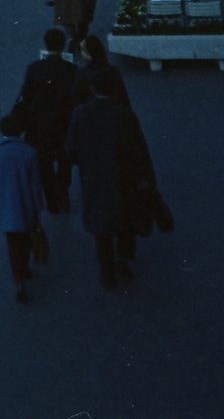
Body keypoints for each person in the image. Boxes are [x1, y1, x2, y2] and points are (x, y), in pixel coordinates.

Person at [65, 67, 158, 288]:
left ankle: (106, 272)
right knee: (125, 220)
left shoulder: (80, 113)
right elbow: (139, 150)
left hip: (94, 177)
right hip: (123, 178)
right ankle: (123, 259)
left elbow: (71, 149)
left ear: (92, 88)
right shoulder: (125, 114)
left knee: (101, 227)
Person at [0, 113, 46, 302]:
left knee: (12, 242)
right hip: (26, 206)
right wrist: (38, 208)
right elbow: (36, 185)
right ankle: (24, 267)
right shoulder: (30, 152)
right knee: (25, 238)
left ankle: (18, 279)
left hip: (6, 207)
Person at [13, 28, 77, 213]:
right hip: (64, 124)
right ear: (63, 45)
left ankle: (52, 199)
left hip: (39, 125)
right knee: (65, 160)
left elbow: (27, 94)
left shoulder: (34, 68)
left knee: (44, 162)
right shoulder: (72, 70)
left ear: (45, 45)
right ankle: (63, 189)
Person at [70, 35, 130, 110]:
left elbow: (76, 98)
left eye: (83, 51)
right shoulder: (113, 70)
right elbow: (123, 97)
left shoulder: (82, 73)